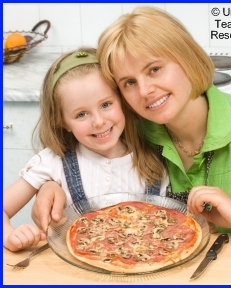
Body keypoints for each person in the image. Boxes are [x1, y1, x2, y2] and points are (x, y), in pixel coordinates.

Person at [32, 6, 231, 237]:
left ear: (187, 58)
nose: (145, 91)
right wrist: (51, 185)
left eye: (154, 69)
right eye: (129, 82)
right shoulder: (134, 130)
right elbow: (79, 160)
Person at [3, 47, 169, 252]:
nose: (99, 121)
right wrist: (9, 235)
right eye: (81, 114)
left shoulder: (155, 159)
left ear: (122, 102)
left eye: (106, 104)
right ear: (62, 122)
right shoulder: (52, 162)